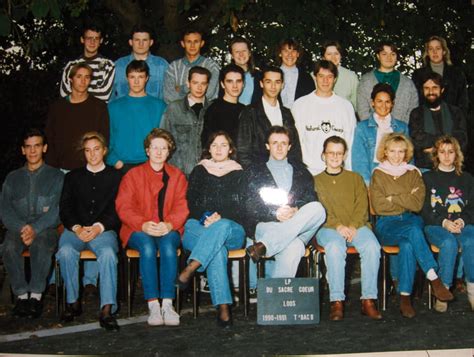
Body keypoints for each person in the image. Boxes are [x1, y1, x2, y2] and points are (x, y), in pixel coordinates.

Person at [370, 133, 453, 318]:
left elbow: (417, 204)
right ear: (385, 151)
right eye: (392, 151)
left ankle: (405, 298)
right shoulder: (378, 173)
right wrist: (406, 196)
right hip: (386, 224)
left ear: (406, 153)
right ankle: (434, 277)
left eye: (401, 151)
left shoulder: (414, 172)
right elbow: (378, 205)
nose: (397, 155)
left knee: (408, 244)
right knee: (414, 231)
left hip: (410, 218)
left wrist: (392, 197)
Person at [115, 128, 189, 326]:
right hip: (138, 229)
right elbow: (123, 207)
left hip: (168, 228)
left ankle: (167, 302)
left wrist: (170, 224)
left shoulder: (177, 176)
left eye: (163, 148)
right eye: (154, 147)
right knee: (147, 247)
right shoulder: (132, 175)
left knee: (167, 246)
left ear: (169, 151)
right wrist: (142, 224)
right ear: (147, 150)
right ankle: (153, 304)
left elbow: (183, 206)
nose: (158, 152)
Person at [176, 131, 245, 328]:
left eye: (223, 145)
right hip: (198, 226)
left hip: (230, 228)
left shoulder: (239, 172)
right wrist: (206, 216)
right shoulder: (200, 170)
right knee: (217, 250)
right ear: (209, 148)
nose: (219, 149)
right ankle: (223, 308)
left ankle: (191, 267)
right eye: (214, 145)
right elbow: (192, 201)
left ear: (230, 149)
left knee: (221, 227)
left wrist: (219, 217)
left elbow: (242, 207)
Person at [56, 132, 122, 330]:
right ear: (83, 153)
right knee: (66, 251)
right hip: (75, 230)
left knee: (109, 254)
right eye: (87, 150)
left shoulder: (116, 176)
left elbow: (118, 208)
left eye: (96, 149)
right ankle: (72, 302)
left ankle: (107, 308)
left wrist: (98, 227)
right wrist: (76, 227)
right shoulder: (72, 177)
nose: (92, 154)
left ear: (104, 150)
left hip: (102, 230)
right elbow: (65, 208)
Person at [244, 126, 326, 279]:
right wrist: (275, 214)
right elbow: (250, 205)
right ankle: (276, 301)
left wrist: (296, 210)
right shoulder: (255, 171)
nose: (279, 147)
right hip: (267, 225)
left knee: (318, 209)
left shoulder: (302, 171)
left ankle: (265, 246)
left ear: (289, 146)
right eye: (275, 143)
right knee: (294, 247)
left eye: (283, 143)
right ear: (267, 146)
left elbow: (310, 199)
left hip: (297, 226)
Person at [314, 136, 381, 321]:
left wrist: (352, 225)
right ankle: (336, 301)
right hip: (328, 227)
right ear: (323, 155)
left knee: (372, 247)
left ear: (344, 156)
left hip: (356, 225)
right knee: (335, 247)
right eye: (330, 152)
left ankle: (368, 300)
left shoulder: (355, 178)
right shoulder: (315, 181)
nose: (335, 156)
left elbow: (361, 206)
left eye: (339, 153)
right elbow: (320, 208)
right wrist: (339, 226)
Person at [1, 129, 64, 318]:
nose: (33, 151)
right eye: (28, 147)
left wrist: (35, 229)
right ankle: (21, 296)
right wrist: (23, 228)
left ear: (44, 148)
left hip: (46, 228)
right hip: (17, 228)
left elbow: (58, 210)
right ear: (22, 150)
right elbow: (4, 210)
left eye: (37, 146)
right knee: (9, 247)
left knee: (41, 244)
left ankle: (36, 296)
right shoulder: (12, 178)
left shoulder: (56, 176)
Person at [421, 135, 474, 312]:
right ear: (436, 155)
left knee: (470, 240)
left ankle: (472, 290)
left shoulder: (467, 178)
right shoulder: (427, 178)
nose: (446, 155)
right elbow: (424, 210)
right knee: (449, 242)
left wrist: (463, 219)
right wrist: (443, 222)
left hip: (461, 224)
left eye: (451, 152)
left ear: (457, 155)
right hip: (436, 226)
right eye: (442, 152)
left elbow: (472, 207)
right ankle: (442, 290)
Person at [292, 60, 356, 175]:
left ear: (335, 79)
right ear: (315, 77)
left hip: (338, 172)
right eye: (321, 76)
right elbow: (296, 142)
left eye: (329, 77)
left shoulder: (346, 106)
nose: (325, 81)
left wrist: (348, 172)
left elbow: (350, 142)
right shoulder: (300, 105)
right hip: (308, 172)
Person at [46, 63, 110, 171]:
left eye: (87, 77)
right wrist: (52, 166)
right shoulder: (57, 107)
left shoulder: (99, 107)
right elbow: (50, 137)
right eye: (79, 76)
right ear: (71, 79)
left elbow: (104, 138)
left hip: (89, 168)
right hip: (62, 168)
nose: (83, 81)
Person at [107, 60, 167, 173]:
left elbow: (165, 138)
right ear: (126, 78)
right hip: (120, 165)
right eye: (132, 77)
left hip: (150, 165)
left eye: (140, 77)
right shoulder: (113, 107)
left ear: (147, 78)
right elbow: (107, 137)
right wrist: (114, 161)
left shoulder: (159, 106)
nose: (136, 81)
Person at [237, 66, 302, 168]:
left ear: (282, 85)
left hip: (285, 171)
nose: (273, 86)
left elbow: (295, 148)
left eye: (277, 82)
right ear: (261, 84)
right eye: (268, 82)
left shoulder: (286, 113)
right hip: (259, 172)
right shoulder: (250, 112)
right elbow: (243, 151)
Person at [352, 83, 409, 185]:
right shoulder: (362, 128)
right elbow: (359, 161)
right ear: (372, 102)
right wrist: (367, 185)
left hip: (398, 177)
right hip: (374, 176)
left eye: (387, 102)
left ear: (392, 103)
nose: (383, 106)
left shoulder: (402, 127)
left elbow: (409, 158)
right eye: (379, 101)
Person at [409, 72, 467, 171]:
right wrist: (448, 141)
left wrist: (433, 147)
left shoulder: (455, 112)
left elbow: (462, 139)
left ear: (442, 90)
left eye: (435, 87)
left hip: (452, 167)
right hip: (425, 168)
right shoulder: (416, 113)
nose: (431, 92)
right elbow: (417, 140)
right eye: (426, 88)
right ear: (422, 91)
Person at [161, 66, 211, 176]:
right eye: (195, 83)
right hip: (178, 173)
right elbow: (162, 139)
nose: (199, 87)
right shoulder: (174, 108)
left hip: (207, 173)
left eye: (203, 83)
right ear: (188, 83)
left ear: (207, 85)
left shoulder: (213, 109)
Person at [357, 41, 418, 123]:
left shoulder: (407, 83)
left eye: (392, 54)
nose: (389, 58)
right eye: (384, 54)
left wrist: (400, 130)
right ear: (378, 56)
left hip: (401, 133)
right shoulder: (365, 81)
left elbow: (413, 110)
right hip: (372, 133)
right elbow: (362, 110)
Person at [412, 36, 469, 116]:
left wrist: (460, 122)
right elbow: (415, 101)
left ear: (444, 51)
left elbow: (463, 102)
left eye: (438, 48)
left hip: (453, 121)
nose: (434, 52)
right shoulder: (418, 75)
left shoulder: (457, 74)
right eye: (431, 49)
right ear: (427, 52)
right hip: (426, 121)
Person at [111, 23, 169, 101]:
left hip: (154, 111)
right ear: (130, 42)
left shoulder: (162, 65)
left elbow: (168, 95)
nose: (141, 44)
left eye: (144, 40)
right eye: (137, 40)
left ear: (151, 42)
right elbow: (111, 97)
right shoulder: (118, 65)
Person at [59, 23, 115, 102]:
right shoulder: (71, 65)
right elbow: (64, 93)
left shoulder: (108, 65)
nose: (92, 42)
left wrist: (78, 93)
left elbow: (104, 95)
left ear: (101, 41)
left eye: (96, 38)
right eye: (89, 38)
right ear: (82, 39)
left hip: (97, 112)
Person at [163, 29, 220, 104]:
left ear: (202, 43)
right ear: (183, 44)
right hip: (179, 114)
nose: (192, 45)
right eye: (189, 41)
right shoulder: (173, 67)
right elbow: (168, 96)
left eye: (196, 41)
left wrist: (182, 88)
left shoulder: (212, 66)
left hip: (204, 113)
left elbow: (209, 94)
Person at [201, 64, 245, 147]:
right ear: (222, 84)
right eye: (230, 81)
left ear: (243, 84)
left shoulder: (246, 110)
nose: (235, 86)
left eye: (238, 81)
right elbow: (207, 142)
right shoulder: (213, 109)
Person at [277, 39, 315, 109]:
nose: (290, 55)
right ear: (280, 53)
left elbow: (311, 102)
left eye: (293, 51)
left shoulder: (307, 78)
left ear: (298, 54)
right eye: (286, 51)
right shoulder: (272, 75)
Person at [321, 40, 359, 109]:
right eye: (329, 54)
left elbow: (356, 105)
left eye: (336, 53)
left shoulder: (351, 77)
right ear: (323, 57)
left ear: (341, 56)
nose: (333, 57)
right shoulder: (314, 76)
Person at [227, 36, 262, 104]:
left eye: (244, 51)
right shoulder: (224, 76)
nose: (241, 54)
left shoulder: (259, 76)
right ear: (232, 55)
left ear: (249, 53)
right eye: (237, 51)